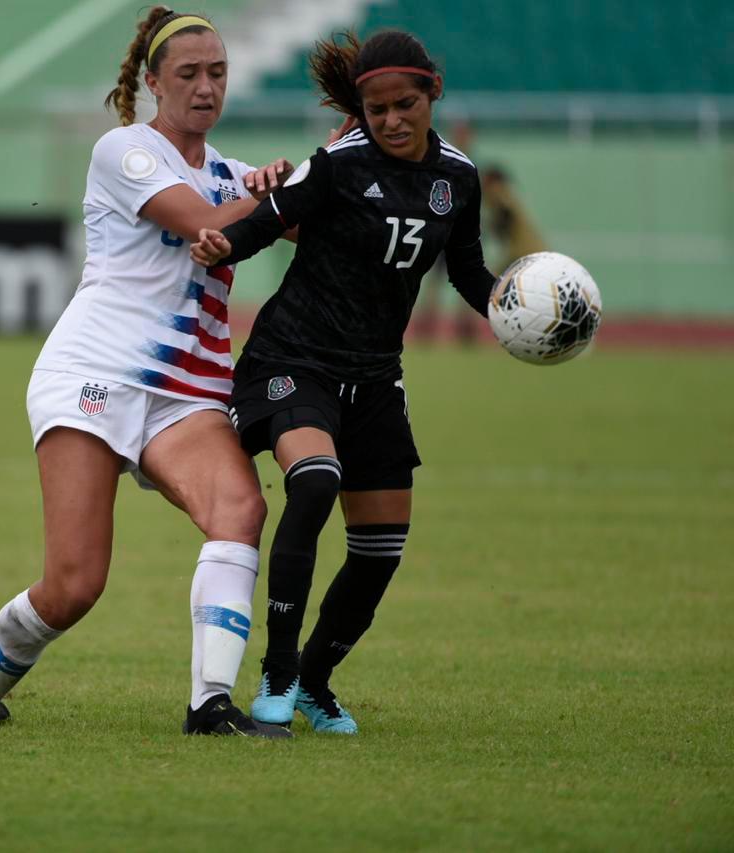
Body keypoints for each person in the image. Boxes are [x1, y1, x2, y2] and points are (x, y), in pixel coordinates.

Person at [0, 7, 313, 738]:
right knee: (76, 584)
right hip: (94, 375)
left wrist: (311, 177)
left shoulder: (237, 172)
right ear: (152, 82)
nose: (206, 88)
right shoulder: (124, 150)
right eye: (188, 75)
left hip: (188, 395)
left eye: (218, 74)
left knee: (240, 509)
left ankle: (210, 703)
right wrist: (275, 196)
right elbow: (210, 226)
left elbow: (302, 220)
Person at [190, 30, 498, 734]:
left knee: (380, 549)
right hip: (291, 360)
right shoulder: (337, 163)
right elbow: (270, 219)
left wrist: (515, 307)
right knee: (316, 479)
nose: (390, 119)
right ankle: (276, 670)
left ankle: (315, 680)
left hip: (375, 377)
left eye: (404, 104)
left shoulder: (459, 179)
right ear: (359, 109)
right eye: (375, 108)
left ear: (432, 95)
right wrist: (221, 244)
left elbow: (471, 273)